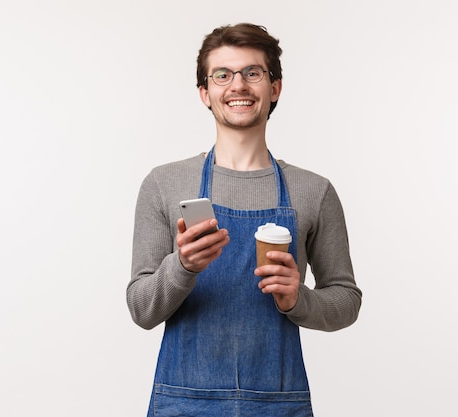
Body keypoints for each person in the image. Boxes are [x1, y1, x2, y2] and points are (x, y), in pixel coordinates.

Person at [127, 22, 362, 416]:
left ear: (275, 87)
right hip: (184, 405)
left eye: (253, 73)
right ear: (205, 92)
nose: (238, 85)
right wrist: (182, 267)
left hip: (277, 405)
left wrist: (297, 299)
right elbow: (141, 310)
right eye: (222, 75)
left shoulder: (313, 190)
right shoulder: (164, 184)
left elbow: (346, 299)